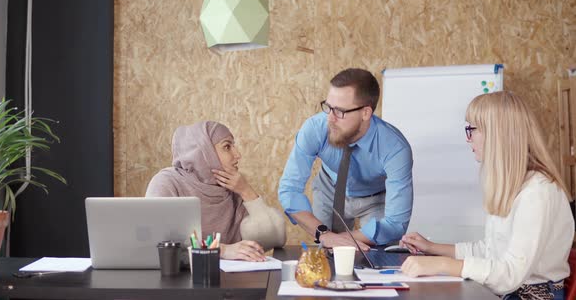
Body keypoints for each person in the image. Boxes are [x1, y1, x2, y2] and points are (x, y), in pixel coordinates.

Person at [400, 91, 574, 299]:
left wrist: (442, 264)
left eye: (471, 130)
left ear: (497, 133)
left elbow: (510, 274)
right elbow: (491, 250)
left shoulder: (538, 191)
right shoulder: (514, 184)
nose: (468, 139)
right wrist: (432, 248)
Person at [278, 68, 414, 249]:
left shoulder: (396, 148)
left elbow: (396, 222)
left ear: (366, 113)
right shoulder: (315, 128)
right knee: (326, 255)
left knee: (376, 257)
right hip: (329, 189)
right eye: (328, 107)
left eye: (340, 111)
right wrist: (324, 235)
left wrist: (341, 238)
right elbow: (289, 190)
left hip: (375, 198)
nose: (330, 118)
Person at [146, 121, 286, 262]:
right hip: (179, 280)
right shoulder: (167, 182)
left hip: (229, 280)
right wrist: (221, 250)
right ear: (204, 152)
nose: (237, 154)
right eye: (227, 147)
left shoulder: (234, 187)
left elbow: (274, 240)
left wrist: (247, 192)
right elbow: (156, 243)